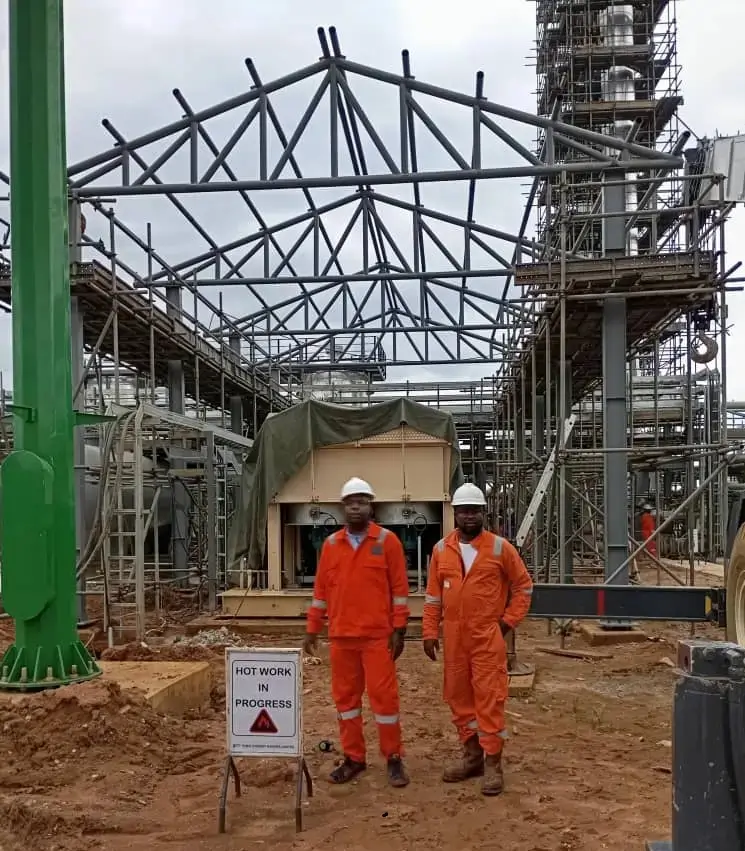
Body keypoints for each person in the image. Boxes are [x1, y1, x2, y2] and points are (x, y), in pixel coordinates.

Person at [422, 482, 533, 796]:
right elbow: (433, 597)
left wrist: (506, 624)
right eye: (463, 511)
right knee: (459, 699)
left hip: (487, 638)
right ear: (455, 514)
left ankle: (493, 763)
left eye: (474, 510)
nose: (469, 516)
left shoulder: (500, 548)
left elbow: (523, 588)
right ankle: (472, 756)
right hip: (455, 639)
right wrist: (430, 632)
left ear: (483, 512)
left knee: (489, 699)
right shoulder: (442, 550)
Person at [303, 476, 410, 788]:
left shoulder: (387, 542)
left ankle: (393, 758)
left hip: (377, 638)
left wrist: (400, 628)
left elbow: (400, 589)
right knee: (346, 702)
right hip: (341, 638)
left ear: (370, 506)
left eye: (362, 502)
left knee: (384, 701)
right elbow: (321, 592)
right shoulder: (331, 545)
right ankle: (354, 758)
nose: (356, 507)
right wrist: (312, 628)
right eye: (351, 502)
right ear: (343, 507)